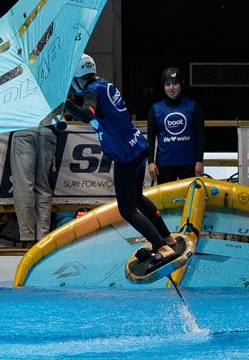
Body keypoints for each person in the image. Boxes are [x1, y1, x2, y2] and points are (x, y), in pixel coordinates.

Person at [68, 54, 186, 270]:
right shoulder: (103, 84)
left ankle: (162, 247)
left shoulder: (92, 91)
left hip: (126, 156)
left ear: (77, 78)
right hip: (137, 147)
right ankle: (168, 238)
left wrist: (65, 105)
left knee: (127, 209)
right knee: (138, 198)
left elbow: (87, 114)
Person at [148, 67, 206, 185]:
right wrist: (151, 162)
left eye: (175, 84)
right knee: (167, 197)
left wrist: (199, 160)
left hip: (189, 163)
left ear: (181, 85)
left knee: (189, 196)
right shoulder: (156, 109)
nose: (171, 88)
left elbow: (201, 135)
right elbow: (150, 138)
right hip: (164, 164)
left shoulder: (193, 106)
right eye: (167, 84)